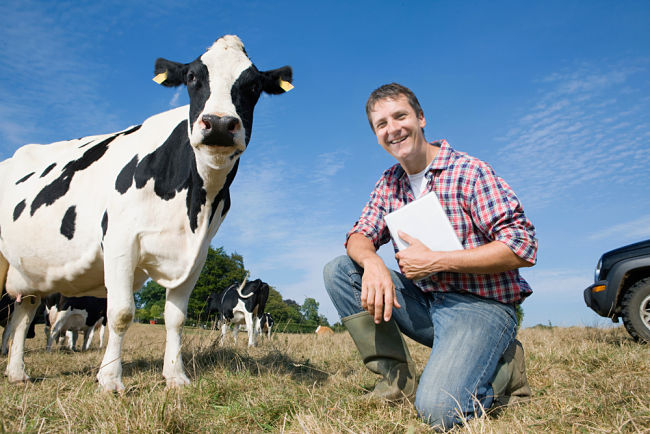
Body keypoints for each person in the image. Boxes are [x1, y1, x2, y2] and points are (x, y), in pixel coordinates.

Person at [323, 83, 537, 430]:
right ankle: (395, 383)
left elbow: (522, 246)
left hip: (482, 306)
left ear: (420, 118)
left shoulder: (469, 171)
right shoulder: (389, 182)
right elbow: (359, 234)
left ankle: (506, 370)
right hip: (426, 303)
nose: (392, 129)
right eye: (381, 124)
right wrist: (374, 262)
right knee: (341, 270)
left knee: (440, 410)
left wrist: (439, 260)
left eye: (400, 116)